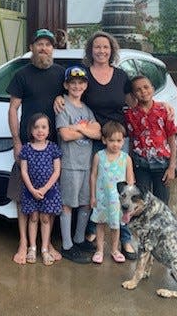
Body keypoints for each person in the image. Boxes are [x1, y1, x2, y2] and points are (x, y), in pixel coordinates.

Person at [55, 31, 137, 259]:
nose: (101, 51)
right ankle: (90, 233)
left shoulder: (121, 76)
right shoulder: (85, 76)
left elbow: (137, 100)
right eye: (97, 47)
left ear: (112, 50)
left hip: (117, 140)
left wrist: (163, 106)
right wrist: (58, 98)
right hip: (91, 142)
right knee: (93, 189)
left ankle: (125, 238)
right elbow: (71, 93)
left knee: (121, 188)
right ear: (91, 50)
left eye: (106, 47)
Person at [7, 28, 65, 264]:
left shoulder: (61, 73)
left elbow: (73, 96)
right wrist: (17, 142)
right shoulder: (21, 75)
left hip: (52, 147)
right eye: (39, 44)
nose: (44, 48)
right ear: (32, 47)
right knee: (24, 198)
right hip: (28, 147)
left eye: (48, 45)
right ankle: (23, 242)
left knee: (49, 197)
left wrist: (62, 97)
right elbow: (13, 109)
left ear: (53, 49)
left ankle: (46, 243)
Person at [55, 66, 101, 264]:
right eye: (72, 83)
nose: (76, 86)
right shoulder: (63, 105)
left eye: (80, 83)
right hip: (70, 163)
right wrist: (84, 129)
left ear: (85, 85)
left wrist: (77, 128)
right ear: (66, 85)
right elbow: (64, 134)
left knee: (84, 202)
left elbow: (98, 132)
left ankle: (79, 239)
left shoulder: (87, 109)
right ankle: (66, 245)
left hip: (86, 163)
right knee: (67, 203)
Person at [124, 75, 177, 205]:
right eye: (138, 89)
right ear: (133, 94)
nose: (143, 91)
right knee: (142, 202)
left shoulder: (164, 111)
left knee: (162, 204)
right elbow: (131, 141)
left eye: (146, 87)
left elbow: (172, 140)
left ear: (153, 89)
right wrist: (130, 168)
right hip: (140, 165)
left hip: (162, 165)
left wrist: (172, 166)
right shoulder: (130, 115)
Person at [20, 113, 63, 265]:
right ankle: (32, 247)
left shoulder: (53, 148)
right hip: (31, 190)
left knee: (45, 218)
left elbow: (57, 171)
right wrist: (32, 189)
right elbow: (24, 171)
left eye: (43, 127)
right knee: (33, 218)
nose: (40, 130)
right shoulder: (26, 149)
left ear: (49, 130)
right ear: (31, 130)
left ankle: (44, 249)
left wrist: (44, 189)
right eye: (36, 127)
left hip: (49, 191)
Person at [89, 121, 134, 264]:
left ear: (123, 141)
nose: (115, 144)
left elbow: (130, 180)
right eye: (112, 140)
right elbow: (93, 175)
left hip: (118, 201)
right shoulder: (99, 156)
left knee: (116, 225)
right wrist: (92, 196)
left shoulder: (126, 158)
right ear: (104, 140)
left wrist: (129, 201)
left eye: (119, 141)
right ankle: (99, 250)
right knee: (100, 224)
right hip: (102, 197)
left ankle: (115, 249)